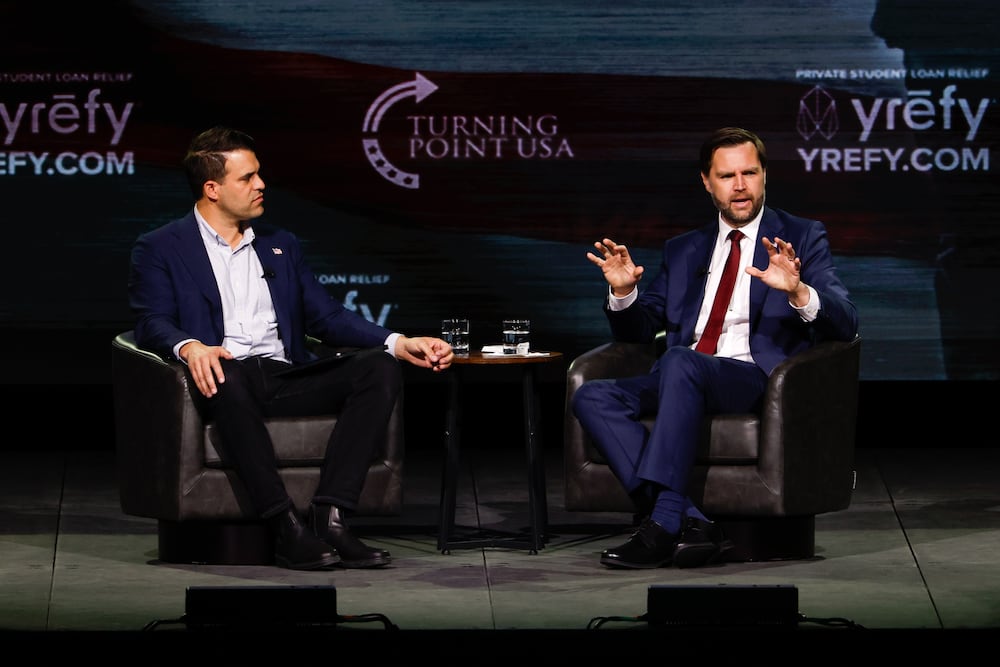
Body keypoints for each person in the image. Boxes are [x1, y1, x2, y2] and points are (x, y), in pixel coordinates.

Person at [128, 125, 454, 571]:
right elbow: (152, 321)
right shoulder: (161, 247)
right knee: (228, 372)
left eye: (259, 174)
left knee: (379, 368)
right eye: (247, 178)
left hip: (284, 374)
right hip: (224, 378)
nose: (261, 184)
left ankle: (331, 516)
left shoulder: (280, 243)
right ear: (212, 189)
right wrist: (190, 347)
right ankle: (284, 526)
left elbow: (327, 316)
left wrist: (398, 342)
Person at [572, 127, 858, 569]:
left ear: (765, 175)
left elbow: (846, 320)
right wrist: (625, 293)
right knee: (592, 395)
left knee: (680, 361)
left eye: (750, 173)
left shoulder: (801, 236)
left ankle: (661, 524)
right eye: (727, 176)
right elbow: (639, 330)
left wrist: (798, 291)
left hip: (752, 378)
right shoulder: (684, 248)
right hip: (681, 376)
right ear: (707, 182)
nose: (740, 186)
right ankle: (692, 520)